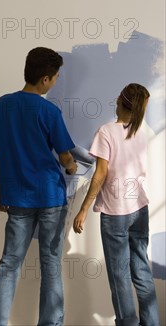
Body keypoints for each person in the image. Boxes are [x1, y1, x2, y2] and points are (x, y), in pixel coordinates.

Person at [0, 47, 77, 326]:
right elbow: (65, 155)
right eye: (56, 77)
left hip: (17, 198)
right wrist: (71, 167)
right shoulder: (49, 111)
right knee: (50, 266)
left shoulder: (3, 104)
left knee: (9, 263)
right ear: (45, 79)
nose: (56, 82)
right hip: (50, 197)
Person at [73, 83, 159, 326]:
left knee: (120, 275)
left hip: (116, 213)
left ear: (120, 100)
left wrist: (83, 209)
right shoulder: (139, 132)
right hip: (140, 209)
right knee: (141, 271)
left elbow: (100, 174)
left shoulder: (106, 131)